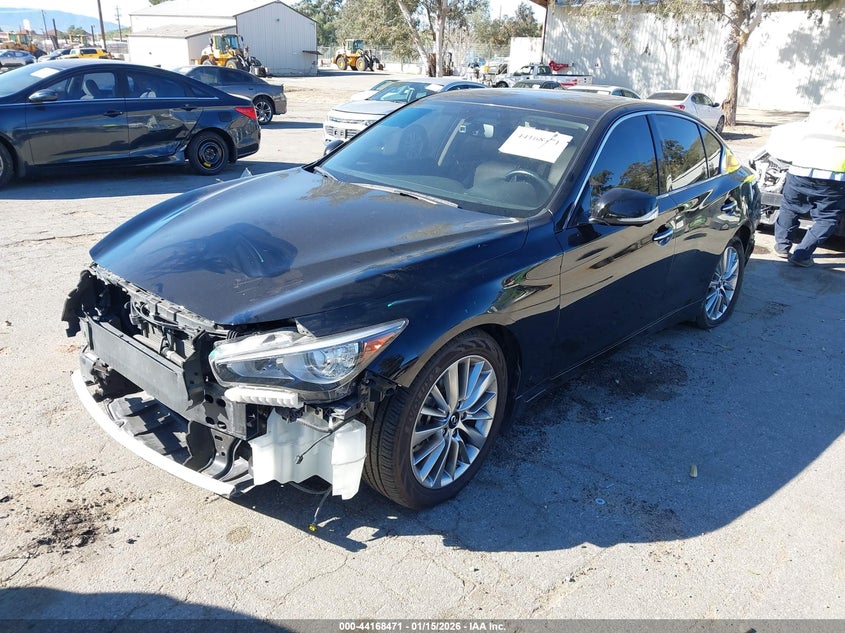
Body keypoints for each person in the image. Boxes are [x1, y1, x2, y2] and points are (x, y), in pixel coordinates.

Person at [773, 106, 845, 267]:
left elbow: (779, 150)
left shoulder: (809, 128)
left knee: (790, 208)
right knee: (827, 218)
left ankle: (782, 247)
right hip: (834, 180)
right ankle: (802, 255)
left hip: (799, 172)